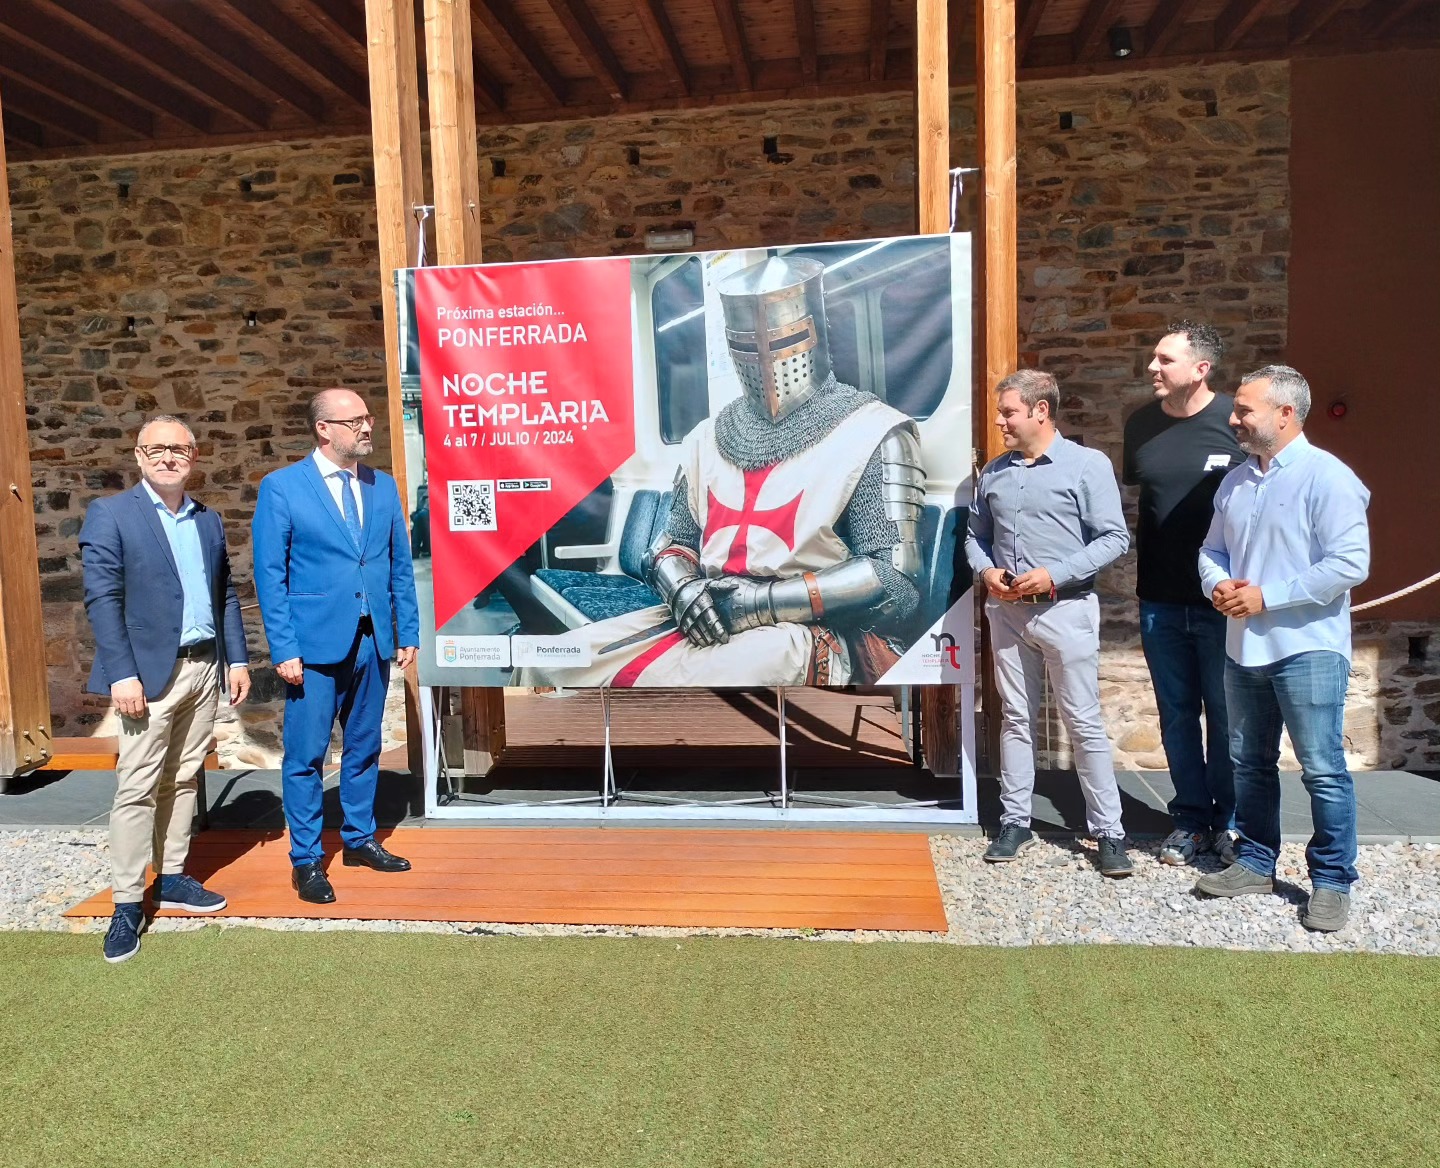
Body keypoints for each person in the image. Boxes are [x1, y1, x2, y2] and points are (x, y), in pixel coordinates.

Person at [516, 255, 927, 687]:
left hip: (803, 629)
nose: (768, 361)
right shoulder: (706, 439)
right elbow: (671, 545)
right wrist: (683, 591)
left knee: (678, 693)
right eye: (748, 344)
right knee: (549, 663)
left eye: (786, 339)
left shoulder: (874, 431)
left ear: (816, 334)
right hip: (702, 612)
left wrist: (759, 602)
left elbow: (894, 578)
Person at [1195, 365, 1370, 932]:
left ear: (1286, 414)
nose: (1234, 417)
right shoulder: (1237, 480)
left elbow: (1349, 565)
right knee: (1249, 762)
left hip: (1309, 649)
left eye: (1245, 409)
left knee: (1322, 769)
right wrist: (1214, 583)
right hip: (1243, 648)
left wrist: (1267, 597)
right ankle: (1255, 861)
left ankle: (1333, 881)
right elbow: (1211, 550)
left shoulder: (1329, 477)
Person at [79, 416, 251, 963]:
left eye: (179, 448)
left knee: (182, 778)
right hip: (148, 677)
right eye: (157, 448)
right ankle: (127, 902)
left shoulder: (208, 520)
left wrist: (237, 659)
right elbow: (102, 599)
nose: (168, 457)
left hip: (204, 668)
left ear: (194, 456)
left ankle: (172, 874)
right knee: (137, 786)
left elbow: (225, 595)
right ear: (138, 455)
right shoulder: (111, 514)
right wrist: (120, 671)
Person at [252, 390, 420, 904]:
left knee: (365, 747)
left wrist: (406, 631)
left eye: (368, 418)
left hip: (373, 641)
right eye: (355, 421)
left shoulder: (383, 486)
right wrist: (283, 647)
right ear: (324, 428)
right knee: (306, 757)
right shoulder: (281, 488)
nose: (367, 427)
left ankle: (359, 839)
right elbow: (270, 575)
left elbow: (398, 566)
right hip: (312, 645)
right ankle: (305, 859)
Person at [965, 369, 1133, 877]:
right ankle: (1015, 821)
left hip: (1067, 609)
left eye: (1008, 412)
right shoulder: (993, 472)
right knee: (1015, 716)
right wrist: (988, 570)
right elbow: (974, 536)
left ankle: (1108, 831)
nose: (999, 421)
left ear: (1041, 411)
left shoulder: (1087, 466)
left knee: (1082, 721)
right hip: (1008, 613)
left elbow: (1113, 538)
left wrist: (1052, 574)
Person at [1122, 321, 1244, 866]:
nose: (1153, 367)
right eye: (1154, 357)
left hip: (1223, 602)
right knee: (1176, 715)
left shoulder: (1234, 424)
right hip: (1160, 599)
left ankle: (1231, 824)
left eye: (1165, 359)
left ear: (1201, 369)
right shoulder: (1141, 425)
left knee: (1225, 714)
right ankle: (1191, 821)